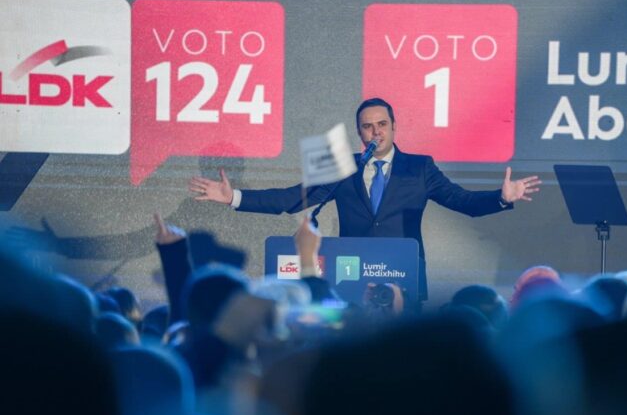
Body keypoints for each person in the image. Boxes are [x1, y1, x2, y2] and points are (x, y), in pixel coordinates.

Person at [189, 98, 542, 300]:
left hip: (403, 279)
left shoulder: (420, 167)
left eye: (382, 124)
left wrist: (501, 197)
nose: (376, 132)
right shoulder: (342, 165)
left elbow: (461, 201)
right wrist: (233, 196)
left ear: (394, 126)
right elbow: (291, 199)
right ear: (359, 132)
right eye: (368, 126)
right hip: (352, 277)